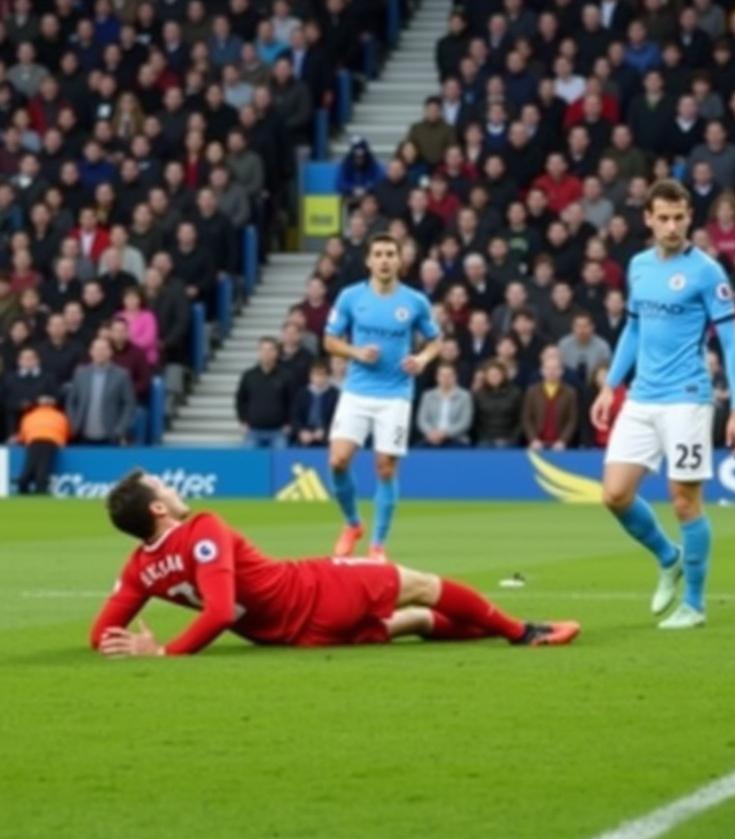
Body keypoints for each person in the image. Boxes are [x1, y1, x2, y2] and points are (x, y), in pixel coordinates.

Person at [91, 470, 580, 657]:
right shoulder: (204, 529)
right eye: (164, 487)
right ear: (157, 509)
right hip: (312, 591)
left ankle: (496, 629)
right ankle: (523, 633)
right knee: (423, 585)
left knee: (414, 619)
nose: (174, 490)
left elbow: (99, 635)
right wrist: (161, 654)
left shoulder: (139, 568)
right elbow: (218, 611)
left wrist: (127, 643)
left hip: (290, 634)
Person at [590, 179, 735, 631]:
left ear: (689, 218)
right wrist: (610, 386)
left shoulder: (706, 272)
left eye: (679, 217)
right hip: (641, 397)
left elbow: (732, 345)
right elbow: (633, 330)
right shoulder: (638, 267)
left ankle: (695, 605)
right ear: (649, 219)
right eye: (663, 217)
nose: (672, 226)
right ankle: (669, 557)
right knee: (614, 494)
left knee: (684, 502)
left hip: (687, 399)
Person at [323, 233, 441, 560]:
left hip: (396, 394)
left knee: (385, 468)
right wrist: (356, 352)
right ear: (369, 261)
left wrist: (422, 359)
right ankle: (352, 524)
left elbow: (435, 340)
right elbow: (330, 340)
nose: (385, 259)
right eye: (379, 254)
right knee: (338, 461)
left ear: (400, 260)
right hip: (357, 390)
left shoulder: (414, 302)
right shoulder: (350, 297)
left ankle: (377, 545)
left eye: (391, 254)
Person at [66, 336, 136, 445]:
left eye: (104, 349)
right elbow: (71, 402)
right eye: (97, 349)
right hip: (82, 436)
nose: (100, 353)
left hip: (111, 437)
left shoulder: (122, 375)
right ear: (91, 352)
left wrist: (120, 429)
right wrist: (74, 423)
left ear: (110, 352)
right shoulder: (80, 373)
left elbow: (129, 404)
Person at [235, 338, 292, 449]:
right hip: (253, 431)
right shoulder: (249, 375)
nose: (267, 353)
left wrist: (289, 423)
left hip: (278, 432)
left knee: (281, 464)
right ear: (259, 352)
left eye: (270, 350)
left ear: (276, 353)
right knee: (250, 463)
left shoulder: (286, 376)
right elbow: (240, 400)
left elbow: (292, 401)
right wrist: (242, 421)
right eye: (263, 350)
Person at [14, 396, 69, 494]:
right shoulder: (59, 416)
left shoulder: (30, 415)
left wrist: (21, 439)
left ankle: (23, 486)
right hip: (51, 442)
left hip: (34, 441)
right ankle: (40, 490)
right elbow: (66, 432)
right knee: (43, 468)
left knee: (29, 466)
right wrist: (61, 442)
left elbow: (23, 433)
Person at [416, 363, 474, 447]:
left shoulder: (465, 396)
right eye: (442, 375)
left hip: (456, 439)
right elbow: (422, 420)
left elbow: (465, 422)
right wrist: (431, 433)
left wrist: (444, 434)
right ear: (437, 377)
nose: (445, 378)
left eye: (449, 375)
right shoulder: (428, 395)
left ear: (455, 377)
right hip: (431, 438)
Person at [290, 360, 340, 448]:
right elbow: (295, 416)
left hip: (326, 436)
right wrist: (301, 431)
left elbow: (337, 418)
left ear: (328, 376)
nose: (319, 378)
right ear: (310, 376)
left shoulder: (335, 394)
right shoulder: (302, 393)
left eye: (322, 374)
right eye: (316, 374)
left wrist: (325, 431)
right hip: (304, 434)